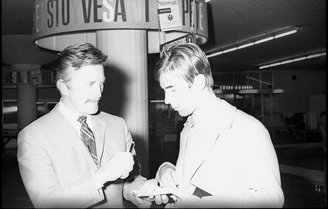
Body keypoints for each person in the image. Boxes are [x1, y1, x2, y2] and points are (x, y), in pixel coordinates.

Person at [139, 43, 284, 208]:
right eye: (165, 90)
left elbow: (272, 199)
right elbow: (195, 180)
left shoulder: (247, 128)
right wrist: (166, 171)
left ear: (199, 82)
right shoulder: (188, 127)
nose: (166, 100)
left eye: (172, 89)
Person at [17, 42, 152, 208]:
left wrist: (142, 191)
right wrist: (101, 176)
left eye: (101, 83)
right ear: (64, 87)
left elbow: (129, 180)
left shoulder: (118, 125)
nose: (99, 93)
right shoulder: (33, 136)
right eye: (90, 84)